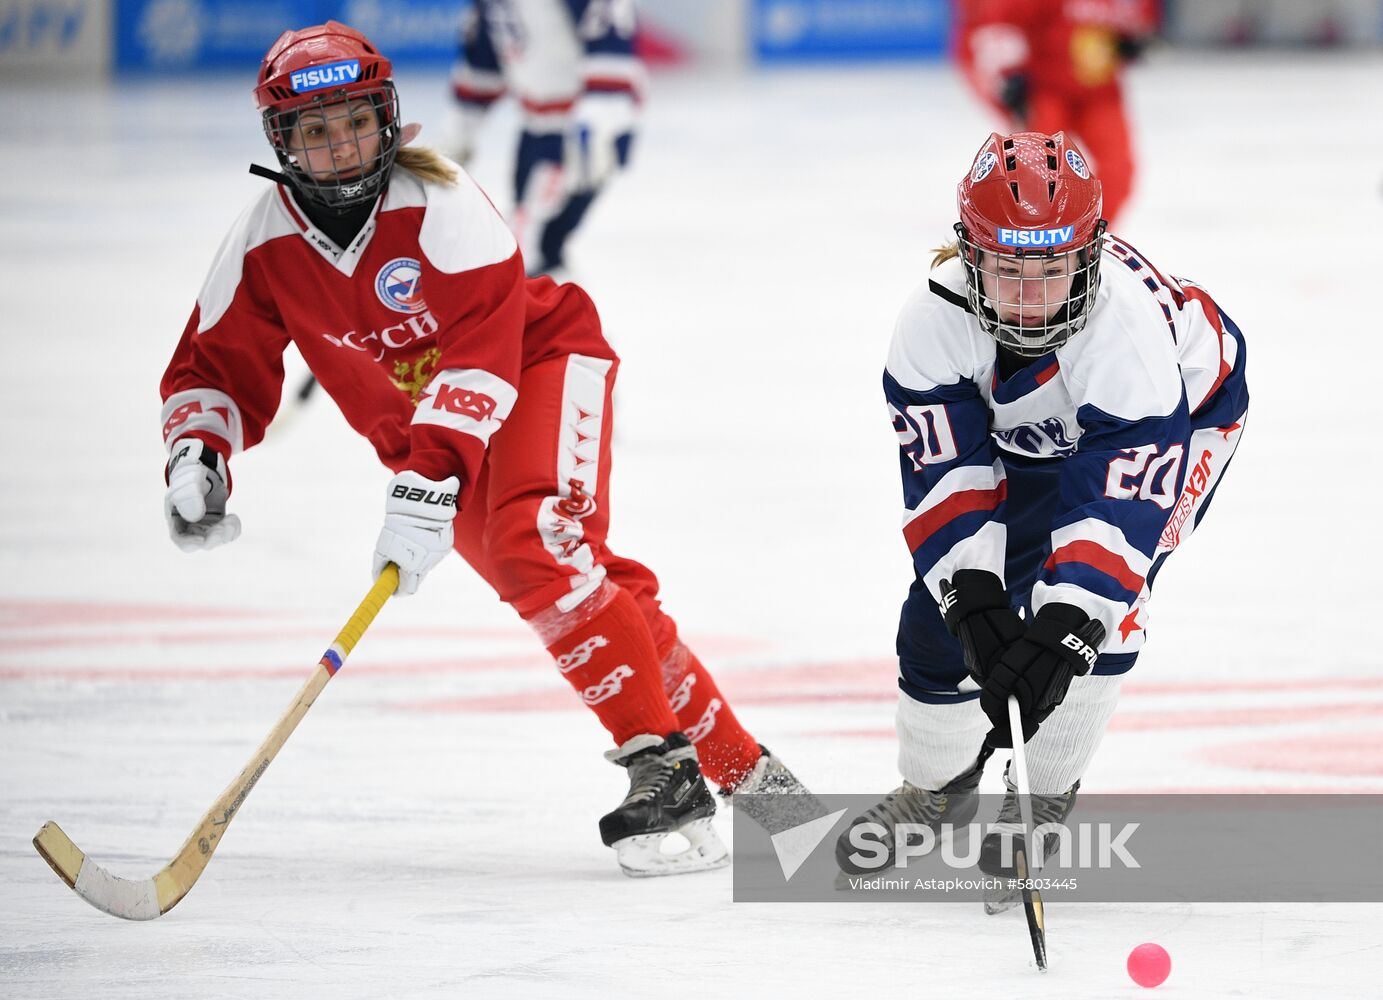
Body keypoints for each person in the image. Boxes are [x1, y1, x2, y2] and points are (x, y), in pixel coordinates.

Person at [159, 20, 809, 878]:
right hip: (430, 444)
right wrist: (197, 455)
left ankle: (664, 769)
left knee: (538, 544)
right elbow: (213, 359)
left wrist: (427, 479)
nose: (339, 146)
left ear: (385, 118)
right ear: (280, 141)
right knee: (569, 588)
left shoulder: (442, 200)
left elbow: (480, 357)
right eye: (313, 132)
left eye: (352, 120)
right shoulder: (262, 240)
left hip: (539, 366)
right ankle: (758, 784)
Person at [835, 131, 1248, 910]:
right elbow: (948, 476)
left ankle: (1043, 798)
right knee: (935, 619)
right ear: (968, 255)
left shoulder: (1128, 336)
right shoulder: (929, 323)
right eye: (1007, 268)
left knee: (1106, 611)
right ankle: (934, 788)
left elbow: (1118, 507)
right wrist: (973, 601)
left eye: (1053, 268)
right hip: (1035, 433)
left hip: (1183, 414)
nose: (1030, 296)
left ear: (1088, 254)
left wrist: (1068, 622)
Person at [446, 0, 640, 277]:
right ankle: (557, 311)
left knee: (528, 250)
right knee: (538, 249)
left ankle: (551, 312)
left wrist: (599, 122)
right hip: (535, 130)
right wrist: (458, 131)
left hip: (577, 130)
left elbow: (611, 42)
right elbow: (484, 62)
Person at [954, 0, 1158, 228]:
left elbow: (1134, 29)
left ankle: (1089, 235)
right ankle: (1033, 238)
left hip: (1101, 94)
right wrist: (1009, 76)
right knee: (1034, 173)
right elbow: (1001, 27)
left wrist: (1128, 44)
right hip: (1047, 93)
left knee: (1118, 168)